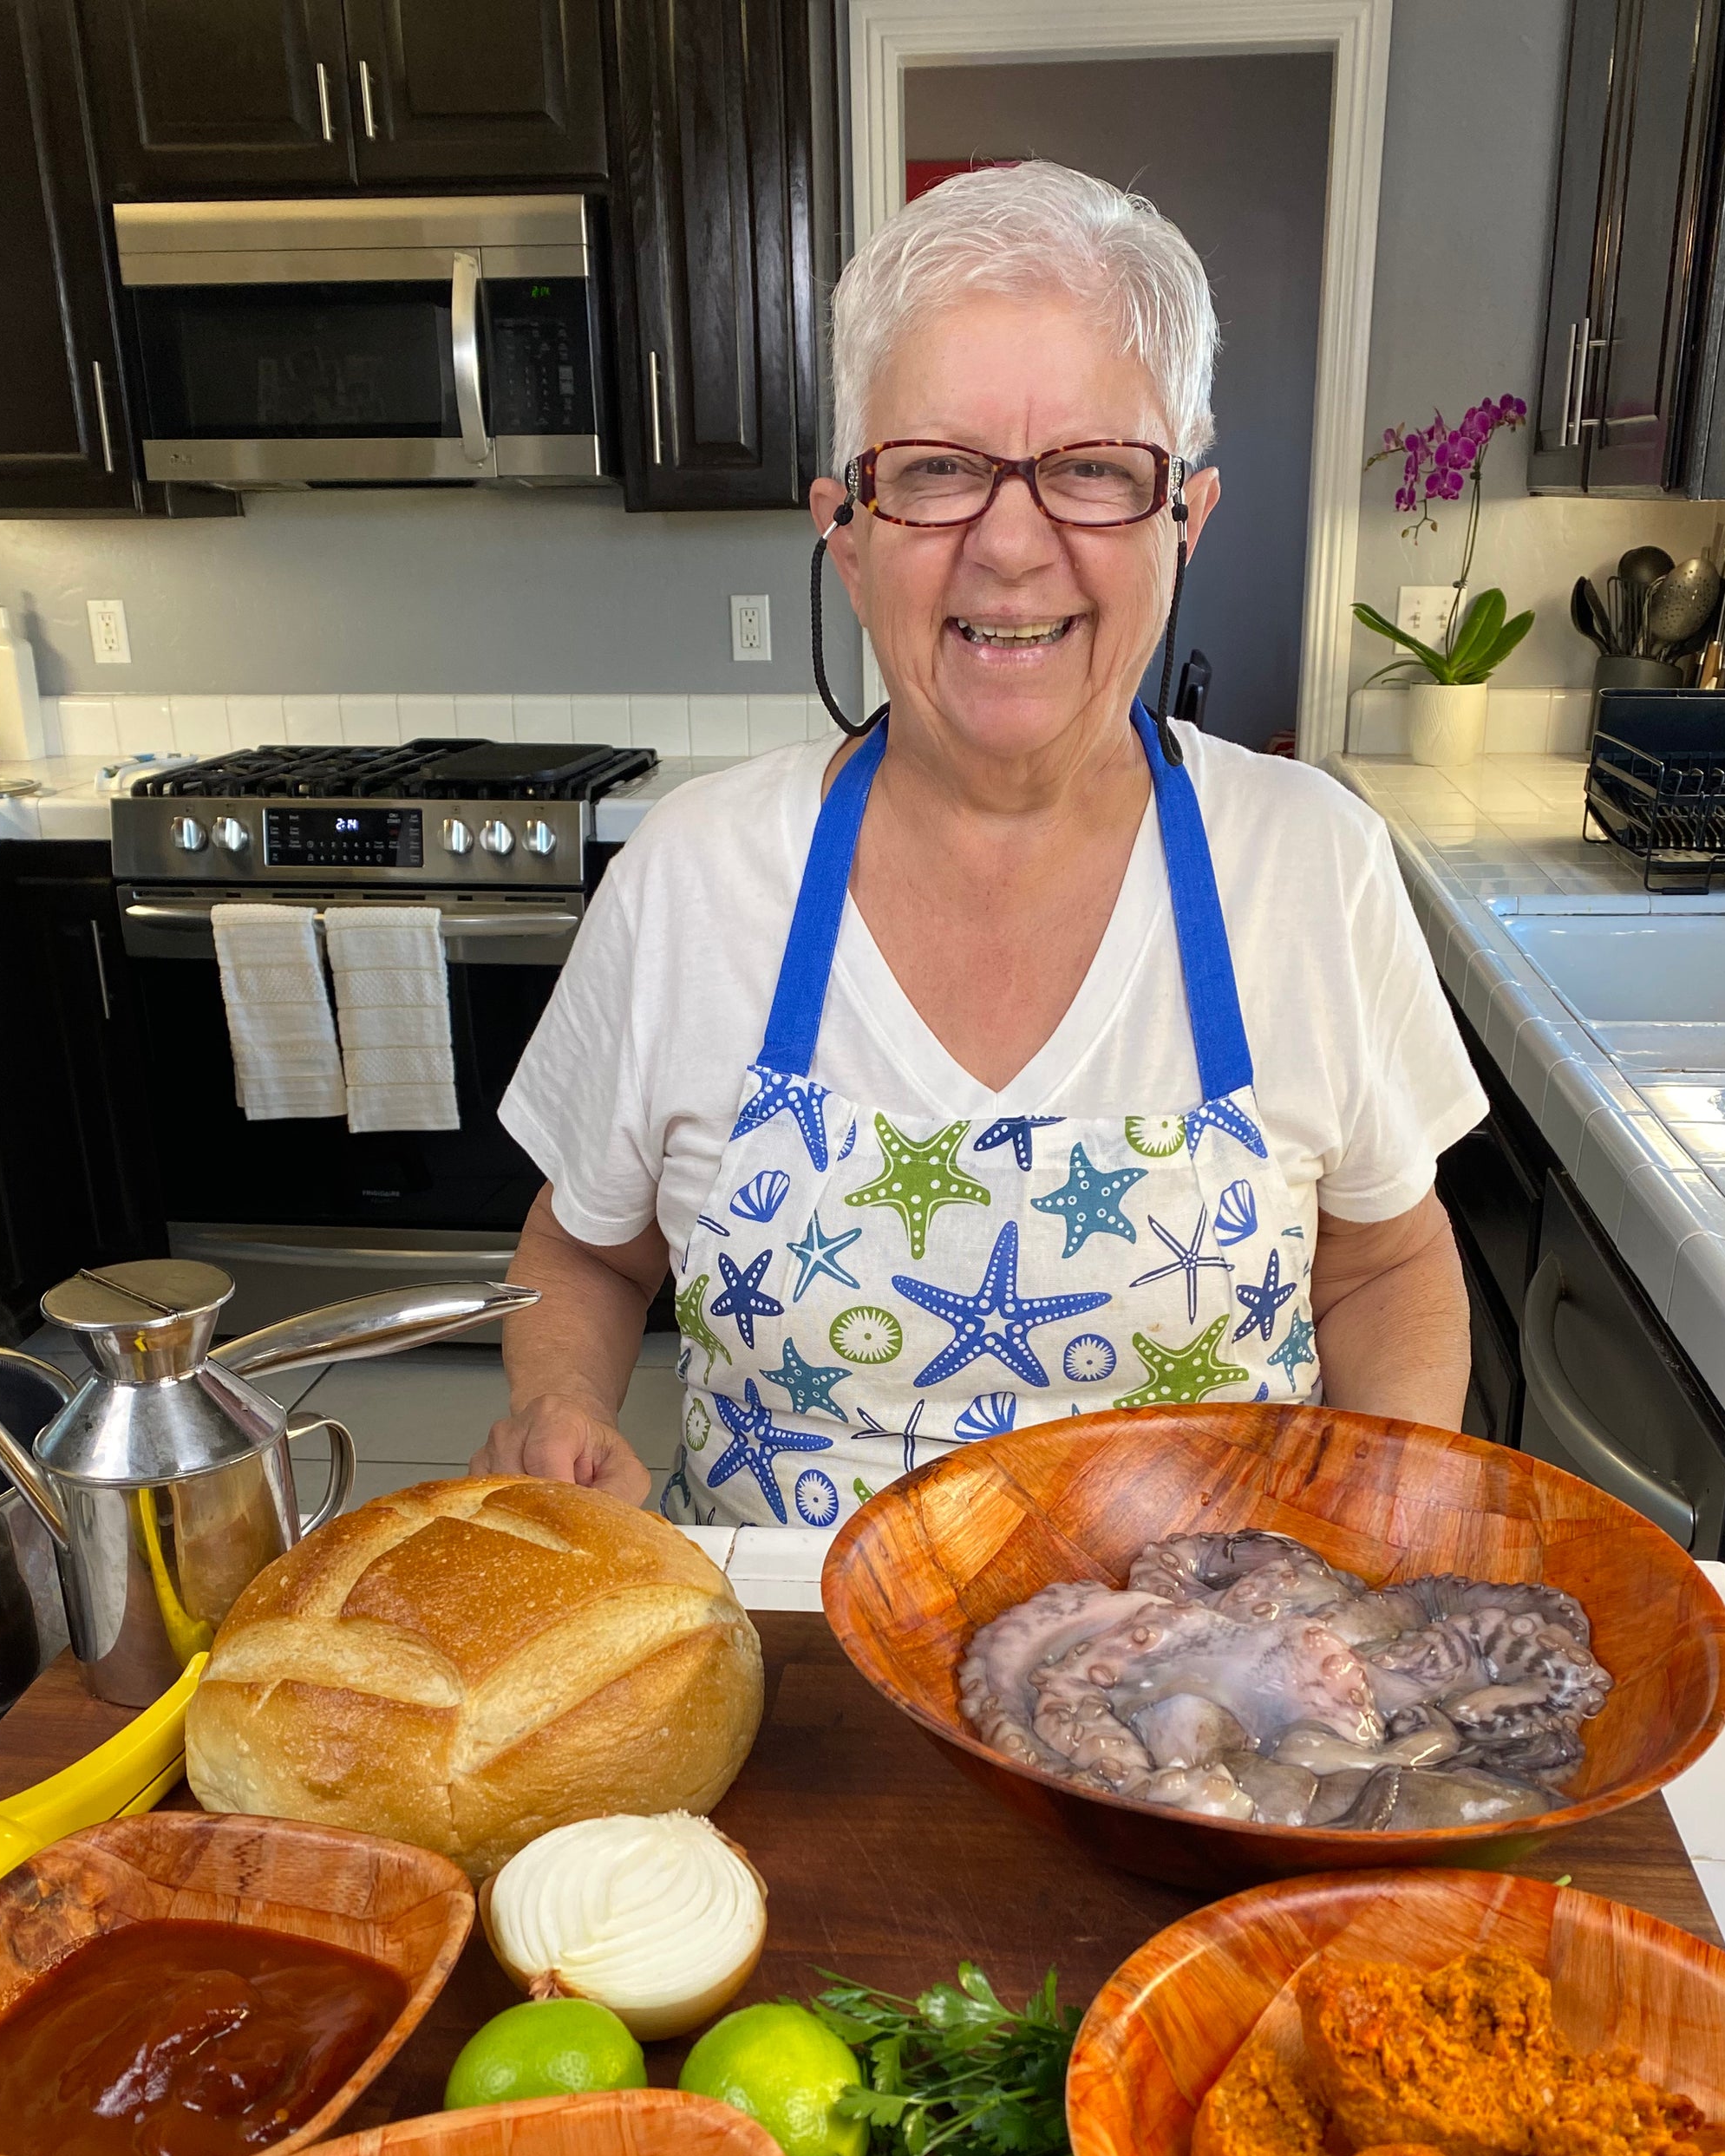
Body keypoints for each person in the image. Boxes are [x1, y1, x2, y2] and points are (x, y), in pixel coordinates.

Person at [479, 161, 1483, 1525]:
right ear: (849, 533)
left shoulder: (1314, 866)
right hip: (792, 1684)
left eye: (1091, 471)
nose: (1012, 543)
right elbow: (586, 1256)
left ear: (1183, 523)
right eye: (941, 471)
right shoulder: (691, 877)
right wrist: (561, 1408)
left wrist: (1391, 1499)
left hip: (1211, 1695)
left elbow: (1380, 1267)